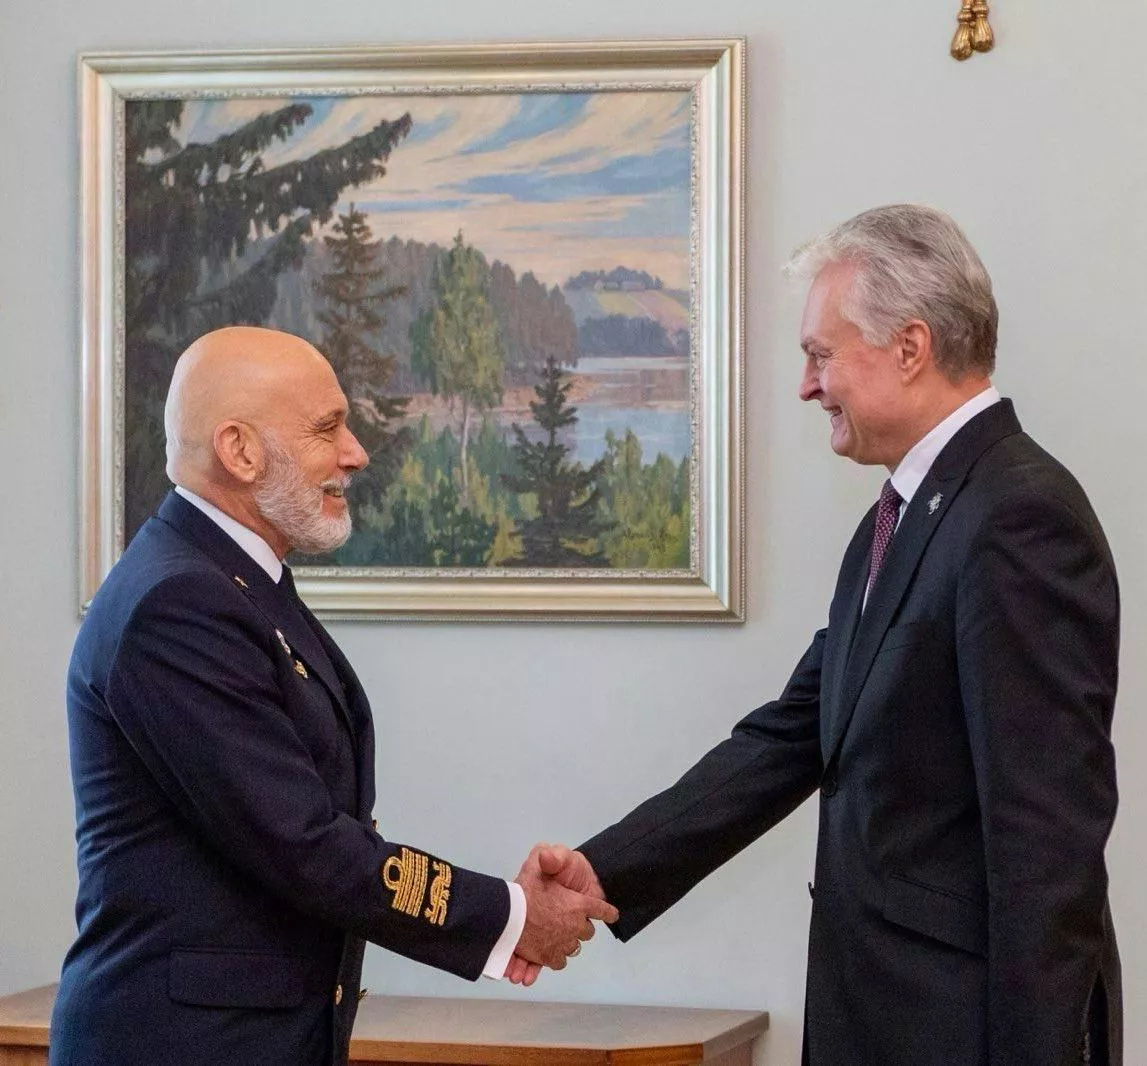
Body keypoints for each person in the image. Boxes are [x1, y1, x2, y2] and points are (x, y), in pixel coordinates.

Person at [512, 205, 1122, 1065]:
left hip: (960, 1031)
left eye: (818, 355)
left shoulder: (1017, 516)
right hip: (884, 1016)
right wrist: (605, 873)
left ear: (909, 348)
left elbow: (1046, 847)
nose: (806, 385)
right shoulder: (907, 515)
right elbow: (793, 733)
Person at [53, 326, 616, 1066]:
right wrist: (509, 916)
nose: (355, 452)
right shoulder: (180, 602)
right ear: (240, 450)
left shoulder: (232, 580)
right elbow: (302, 843)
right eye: (326, 428)